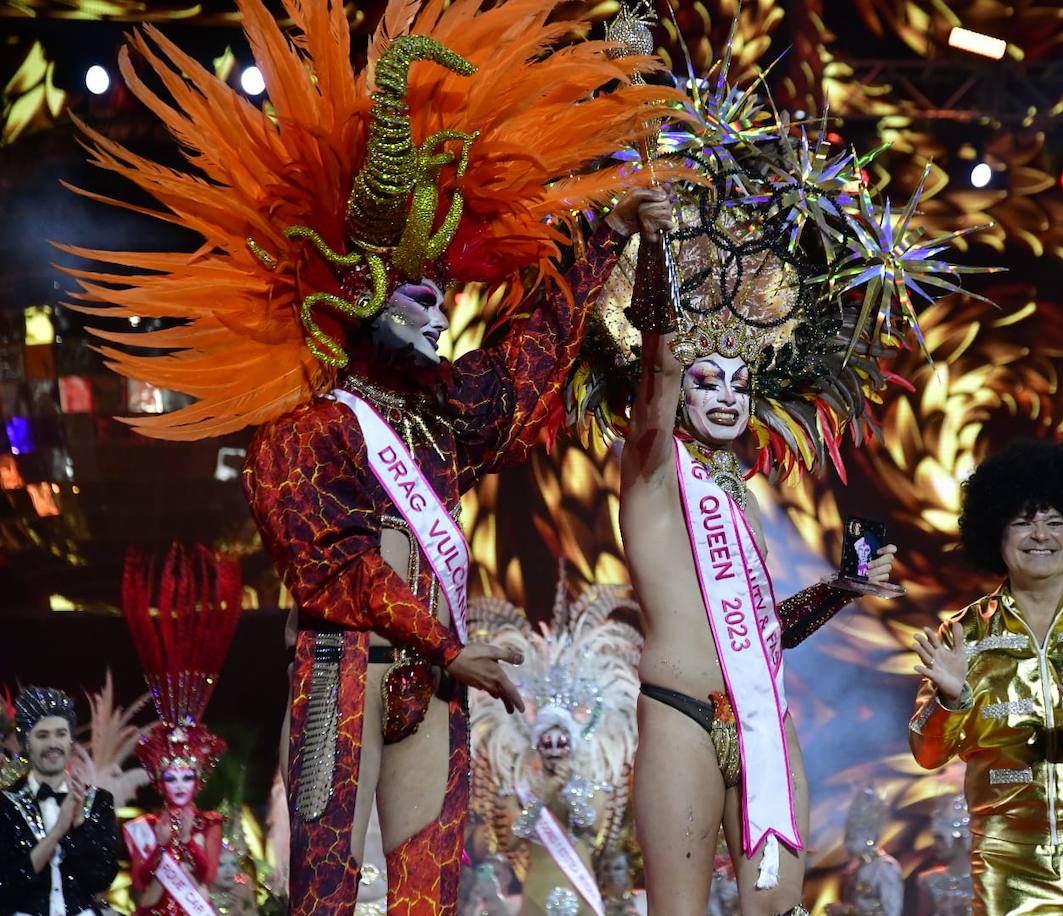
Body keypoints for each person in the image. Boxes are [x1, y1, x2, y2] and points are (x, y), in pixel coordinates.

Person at [63, 1, 677, 911]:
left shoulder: (446, 411)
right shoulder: (306, 431)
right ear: (360, 294)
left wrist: (608, 235)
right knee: (326, 897)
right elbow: (333, 567)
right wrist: (448, 645)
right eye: (416, 291)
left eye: (441, 290)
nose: (438, 307)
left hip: (434, 682)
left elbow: (535, 350)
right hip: (344, 674)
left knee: (429, 897)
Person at [566, 11, 990, 913]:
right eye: (706, 380)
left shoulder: (741, 500)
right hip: (680, 717)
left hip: (764, 723)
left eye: (739, 382)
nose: (724, 394)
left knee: (778, 908)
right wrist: (652, 247)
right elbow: (658, 365)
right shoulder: (652, 469)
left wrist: (838, 591)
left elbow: (755, 632)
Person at [907, 439, 1063, 915]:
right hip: (1008, 859)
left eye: (1054, 521)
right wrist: (950, 701)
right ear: (996, 534)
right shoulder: (964, 632)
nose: (1040, 535)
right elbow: (927, 753)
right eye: (1023, 521)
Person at [469, 577, 642, 916]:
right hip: (535, 896)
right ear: (535, 742)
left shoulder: (594, 785)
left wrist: (569, 790)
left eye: (561, 740)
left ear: (573, 741)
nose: (554, 748)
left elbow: (595, 829)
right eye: (547, 741)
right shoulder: (518, 790)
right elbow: (512, 838)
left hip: (583, 894)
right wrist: (545, 792)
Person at [119, 545, 242, 916]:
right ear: (159, 780)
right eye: (171, 777)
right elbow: (140, 883)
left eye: (186, 776)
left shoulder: (209, 824)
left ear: (198, 779)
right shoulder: (143, 826)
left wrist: (187, 840)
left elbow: (207, 876)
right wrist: (160, 846)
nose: (179, 784)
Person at [0, 687, 120, 916]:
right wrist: (57, 831)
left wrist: (79, 824)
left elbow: (102, 878)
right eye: (42, 736)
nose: (53, 743)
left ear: (71, 740)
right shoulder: (6, 805)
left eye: (61, 734)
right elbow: (5, 885)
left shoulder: (98, 801)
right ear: (26, 742)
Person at [825, 785, 903, 916]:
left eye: (855, 832)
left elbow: (892, 913)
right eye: (849, 831)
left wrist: (846, 911)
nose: (849, 838)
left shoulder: (885, 867)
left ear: (870, 835)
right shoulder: (855, 867)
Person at [913, 767, 972, 916]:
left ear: (959, 838)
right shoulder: (930, 881)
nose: (934, 844)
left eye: (940, 838)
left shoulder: (985, 881)